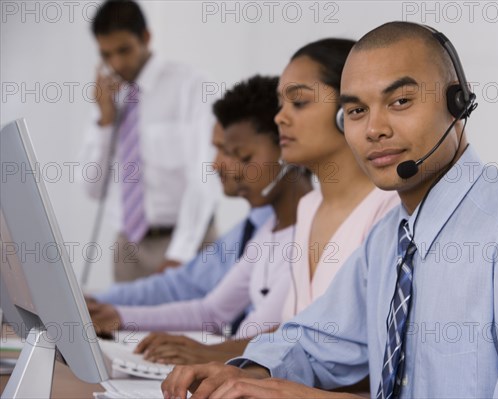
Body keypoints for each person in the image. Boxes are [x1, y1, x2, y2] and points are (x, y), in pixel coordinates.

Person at [161, 22, 498, 399]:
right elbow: (317, 342)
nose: (374, 129)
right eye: (355, 110)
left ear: (458, 104)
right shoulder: (391, 237)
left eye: (400, 101)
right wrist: (246, 375)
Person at [135, 38, 399, 367]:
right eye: (280, 104)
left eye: (298, 103)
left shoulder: (389, 214)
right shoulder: (310, 208)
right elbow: (295, 333)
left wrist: (227, 359)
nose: (280, 119)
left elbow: (365, 356)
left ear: (351, 111)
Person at [92, 76, 314, 341]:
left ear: (287, 147)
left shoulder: (313, 232)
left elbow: (264, 340)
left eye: (239, 155)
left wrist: (208, 356)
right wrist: (117, 315)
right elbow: (211, 311)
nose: (219, 165)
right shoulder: (266, 229)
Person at [80, 0, 219, 281]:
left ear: (145, 37)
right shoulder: (108, 97)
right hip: (128, 249)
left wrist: (179, 254)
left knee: (188, 325)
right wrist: (105, 122)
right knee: (123, 325)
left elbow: (205, 176)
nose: (116, 64)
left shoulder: (192, 86)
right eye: (106, 55)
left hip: (186, 242)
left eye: (124, 50)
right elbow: (93, 189)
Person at [87, 121, 272, 332]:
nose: (215, 164)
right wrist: (102, 305)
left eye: (235, 152)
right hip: (133, 241)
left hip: (181, 238)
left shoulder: (291, 235)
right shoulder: (250, 231)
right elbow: (189, 293)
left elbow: (265, 337)